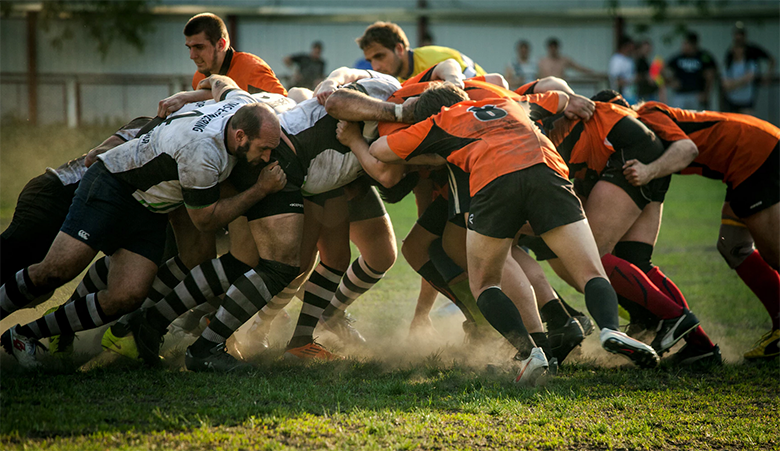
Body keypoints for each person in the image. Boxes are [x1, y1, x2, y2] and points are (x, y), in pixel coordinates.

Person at [368, 82, 661, 381]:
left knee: (485, 284)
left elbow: (380, 151)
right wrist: (569, 101)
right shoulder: (508, 102)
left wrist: (436, 153)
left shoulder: (440, 120)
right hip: (547, 173)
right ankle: (610, 328)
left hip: (494, 184)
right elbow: (558, 99)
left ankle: (528, 352)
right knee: (591, 272)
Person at [1, 76, 287, 369]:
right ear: (240, 136)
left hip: (149, 207)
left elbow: (220, 81)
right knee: (57, 270)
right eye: (263, 149)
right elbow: (205, 220)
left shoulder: (241, 102)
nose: (267, 157)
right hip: (114, 185)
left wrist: (184, 96)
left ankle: (24, 334)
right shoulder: (202, 152)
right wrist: (260, 190)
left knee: (127, 296)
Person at [630, 100, 780, 360]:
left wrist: (648, 171)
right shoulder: (644, 119)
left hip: (753, 154)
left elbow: (686, 149)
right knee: (732, 246)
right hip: (746, 156)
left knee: (775, 253)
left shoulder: (647, 114)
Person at [356, 21, 485, 83]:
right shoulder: (401, 81)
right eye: (370, 61)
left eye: (380, 56)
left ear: (399, 49)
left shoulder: (437, 59)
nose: (375, 67)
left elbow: (476, 89)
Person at [664, 32, 717, 110]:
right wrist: (670, 82)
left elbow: (710, 76)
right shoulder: (678, 58)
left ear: (693, 44)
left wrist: (706, 93)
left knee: (697, 120)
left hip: (696, 95)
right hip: (680, 95)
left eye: (686, 43)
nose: (683, 46)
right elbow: (664, 69)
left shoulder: (704, 57)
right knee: (678, 119)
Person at [722, 43, 758, 114]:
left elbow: (749, 78)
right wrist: (741, 81)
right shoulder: (728, 64)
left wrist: (732, 84)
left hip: (746, 100)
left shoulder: (750, 64)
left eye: (740, 48)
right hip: (731, 100)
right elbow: (725, 85)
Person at [608, 35, 637, 104]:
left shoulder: (629, 60)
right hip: (621, 96)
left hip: (631, 94)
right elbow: (616, 80)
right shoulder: (617, 60)